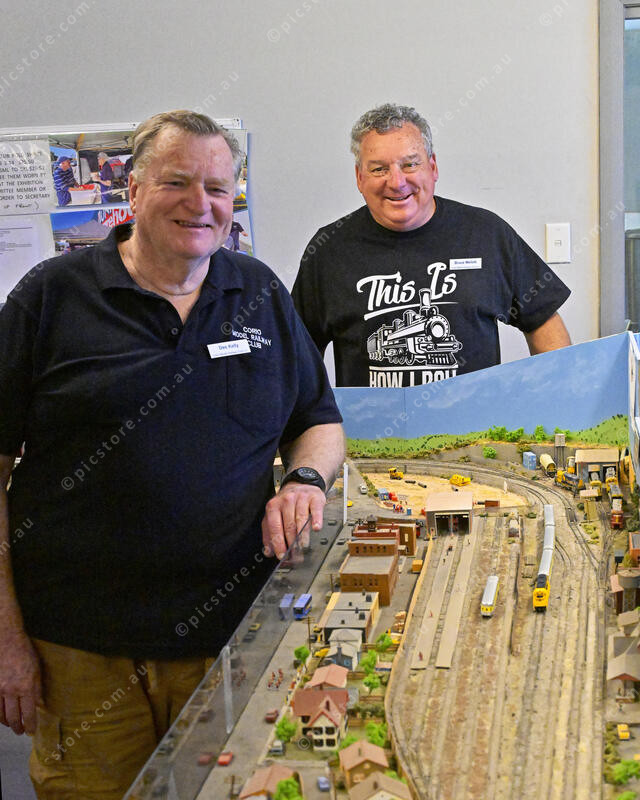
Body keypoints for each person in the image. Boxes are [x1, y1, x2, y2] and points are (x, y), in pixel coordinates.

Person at [0, 110, 344, 799]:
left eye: (217, 188)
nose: (200, 203)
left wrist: (305, 479)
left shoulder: (258, 292)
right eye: (177, 182)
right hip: (81, 650)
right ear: (133, 191)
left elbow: (319, 421)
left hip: (232, 639)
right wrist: (6, 636)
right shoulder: (52, 296)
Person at [292, 103, 571, 388]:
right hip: (369, 418)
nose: (397, 182)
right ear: (359, 178)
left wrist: (556, 395)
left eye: (410, 164)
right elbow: (297, 354)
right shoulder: (328, 250)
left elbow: (543, 320)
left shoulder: (487, 233)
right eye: (379, 169)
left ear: (433, 167)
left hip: (474, 416)